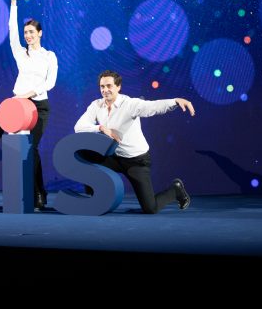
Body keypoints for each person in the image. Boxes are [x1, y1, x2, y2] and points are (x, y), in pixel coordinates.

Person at [73, 70, 193, 214]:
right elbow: (78, 127)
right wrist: (101, 128)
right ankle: (94, 200)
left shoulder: (130, 104)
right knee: (85, 155)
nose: (105, 90)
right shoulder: (96, 105)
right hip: (113, 157)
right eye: (102, 87)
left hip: (136, 160)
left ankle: (176, 189)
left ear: (118, 87)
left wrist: (174, 101)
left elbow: (152, 107)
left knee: (150, 208)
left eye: (109, 86)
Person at [9, 0, 58, 211]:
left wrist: (30, 94)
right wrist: (13, 5)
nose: (27, 35)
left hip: (38, 106)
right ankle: (34, 193)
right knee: (21, 149)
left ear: (40, 33)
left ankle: (38, 193)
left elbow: (50, 83)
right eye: (25, 32)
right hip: (19, 106)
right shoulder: (20, 53)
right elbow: (11, 33)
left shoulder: (49, 56)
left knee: (32, 148)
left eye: (31, 32)